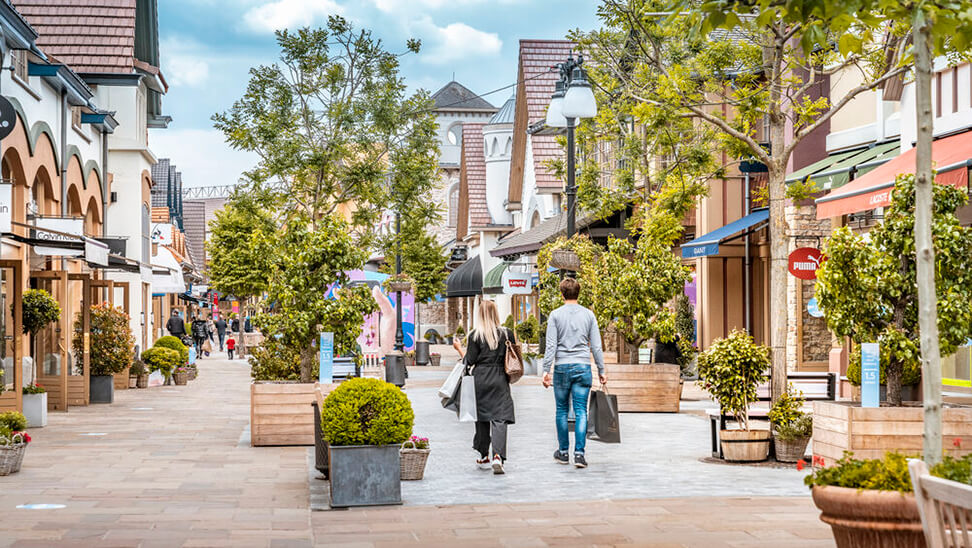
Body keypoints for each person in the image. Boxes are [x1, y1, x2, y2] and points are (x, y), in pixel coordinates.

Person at [542, 277, 606, 469]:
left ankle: (563, 452)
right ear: (578, 293)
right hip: (582, 366)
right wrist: (601, 370)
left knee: (561, 410)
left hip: (562, 366)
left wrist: (546, 370)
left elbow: (551, 345)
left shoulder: (555, 315)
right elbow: (596, 345)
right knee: (581, 411)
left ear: (562, 294)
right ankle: (579, 454)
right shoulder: (589, 315)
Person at [461, 299, 515, 475]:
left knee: (482, 417)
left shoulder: (474, 335)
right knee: (500, 418)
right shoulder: (507, 334)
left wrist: (459, 351)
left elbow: (469, 361)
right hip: (500, 377)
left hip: (480, 378)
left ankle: (484, 454)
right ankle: (498, 456)